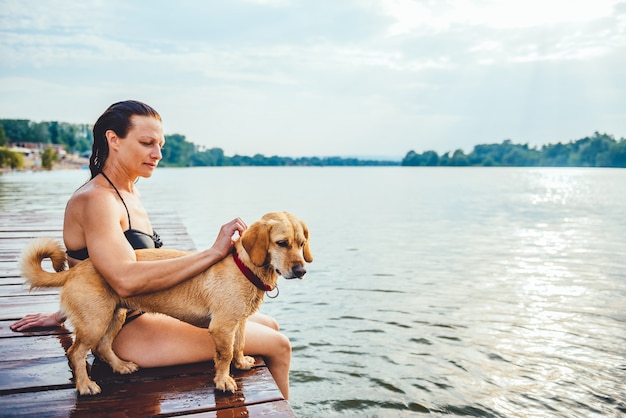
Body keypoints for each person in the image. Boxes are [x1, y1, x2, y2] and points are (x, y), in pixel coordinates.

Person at [10, 100, 291, 399]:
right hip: (128, 330)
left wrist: (63, 312)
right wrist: (212, 253)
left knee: (268, 323)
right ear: (113, 139)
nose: (157, 154)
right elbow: (123, 280)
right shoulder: (98, 200)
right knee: (279, 345)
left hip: (146, 308)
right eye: (146, 143)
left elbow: (96, 269)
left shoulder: (128, 191)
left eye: (160, 144)